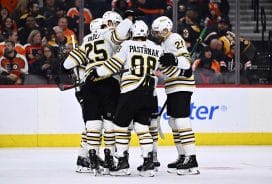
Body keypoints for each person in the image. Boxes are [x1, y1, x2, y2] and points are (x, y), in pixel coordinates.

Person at [85, 20, 163, 177]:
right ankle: (148, 164)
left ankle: (122, 163)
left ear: (132, 33)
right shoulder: (157, 48)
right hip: (149, 92)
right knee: (142, 128)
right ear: (147, 33)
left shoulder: (127, 45)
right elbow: (164, 68)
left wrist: (97, 73)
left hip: (130, 91)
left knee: (120, 126)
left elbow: (114, 64)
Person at [63, 11, 134, 174]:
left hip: (86, 86)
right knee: (107, 121)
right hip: (107, 82)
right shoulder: (109, 37)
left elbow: (68, 65)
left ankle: (89, 156)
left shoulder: (86, 42)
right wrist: (129, 19)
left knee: (92, 123)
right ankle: (97, 156)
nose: (110, 26)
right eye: (107, 24)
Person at [151, 16, 200, 175]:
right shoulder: (164, 42)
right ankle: (182, 156)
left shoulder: (174, 38)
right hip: (172, 86)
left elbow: (186, 62)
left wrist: (173, 59)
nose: (156, 34)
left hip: (181, 84)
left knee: (181, 120)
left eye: (158, 32)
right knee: (173, 122)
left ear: (165, 29)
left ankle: (191, 158)